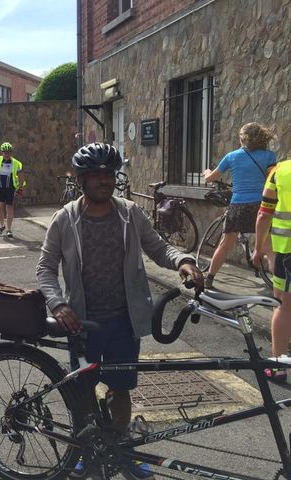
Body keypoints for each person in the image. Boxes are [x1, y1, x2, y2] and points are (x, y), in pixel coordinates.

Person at [36, 142, 203, 479]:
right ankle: (84, 452)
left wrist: (184, 261)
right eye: (96, 174)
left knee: (121, 389)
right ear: (81, 180)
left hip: (124, 322)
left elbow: (159, 248)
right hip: (81, 325)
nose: (105, 180)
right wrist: (58, 303)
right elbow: (45, 268)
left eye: (110, 173)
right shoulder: (65, 219)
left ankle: (122, 451)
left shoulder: (129, 213)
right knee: (82, 393)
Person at [203, 122, 277, 288]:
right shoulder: (269, 156)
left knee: (225, 244)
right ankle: (280, 285)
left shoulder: (231, 156)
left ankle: (209, 279)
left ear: (242, 138)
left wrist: (207, 172)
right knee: (269, 248)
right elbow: (271, 178)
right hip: (262, 205)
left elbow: (211, 178)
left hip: (239, 206)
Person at [253, 160, 291, 383]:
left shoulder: (281, 171)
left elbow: (264, 214)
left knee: (284, 307)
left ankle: (278, 366)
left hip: (287, 252)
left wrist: (258, 249)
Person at [0, 142, 24, 238]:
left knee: (9, 207)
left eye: (8, 152)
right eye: (5, 152)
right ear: (2, 152)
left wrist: (20, 187)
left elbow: (21, 175)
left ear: (11, 152)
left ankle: (9, 229)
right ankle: (2, 226)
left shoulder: (15, 163)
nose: (7, 154)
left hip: (10, 188)